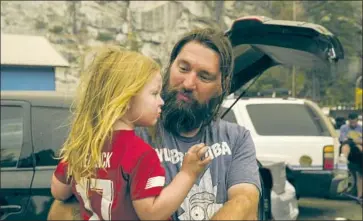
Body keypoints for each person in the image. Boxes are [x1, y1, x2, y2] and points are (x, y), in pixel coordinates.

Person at [49, 28, 261, 220]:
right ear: (170, 66)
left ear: (221, 86)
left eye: (204, 76)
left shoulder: (236, 138)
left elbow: (245, 203)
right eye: (183, 68)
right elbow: (61, 209)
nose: (188, 83)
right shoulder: (131, 132)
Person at [50, 46, 212, 220]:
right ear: (126, 99)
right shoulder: (140, 155)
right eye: (154, 93)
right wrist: (188, 174)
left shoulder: (81, 149)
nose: (162, 101)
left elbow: (58, 192)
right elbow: (151, 213)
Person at [336, 113, 362, 202]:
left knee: (360, 174)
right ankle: (343, 159)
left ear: (357, 120)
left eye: (354, 123)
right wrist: (356, 141)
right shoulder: (344, 127)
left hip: (358, 151)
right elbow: (343, 139)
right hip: (350, 149)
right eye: (351, 123)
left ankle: (360, 196)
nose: (352, 125)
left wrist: (355, 141)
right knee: (346, 144)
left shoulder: (361, 128)